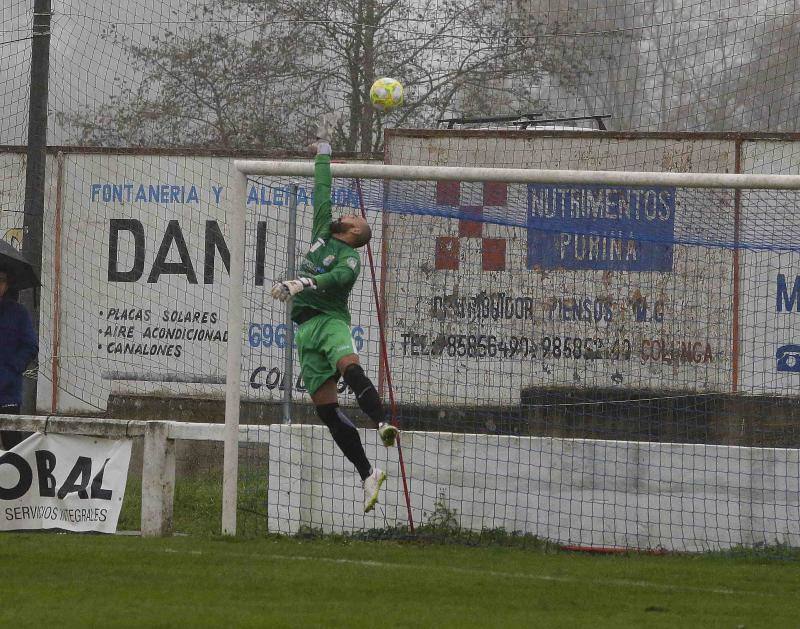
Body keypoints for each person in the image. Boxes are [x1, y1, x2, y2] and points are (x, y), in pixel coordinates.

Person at [271, 118, 398, 513]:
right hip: (305, 332)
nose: (350, 214)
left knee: (350, 368)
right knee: (326, 410)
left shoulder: (350, 259)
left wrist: (300, 285)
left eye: (356, 218)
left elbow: (332, 279)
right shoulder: (323, 233)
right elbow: (322, 190)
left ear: (355, 233)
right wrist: (324, 153)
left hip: (329, 323)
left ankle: (383, 423)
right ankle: (367, 474)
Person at [0, 266, 39, 450]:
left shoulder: (18, 313)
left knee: (13, 445)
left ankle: (16, 478)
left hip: (7, 392)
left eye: (1, 280)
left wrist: (12, 368)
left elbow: (30, 345)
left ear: (7, 285)